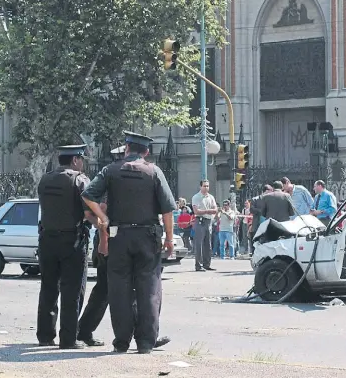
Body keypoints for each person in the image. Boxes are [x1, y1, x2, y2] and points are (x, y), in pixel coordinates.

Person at [82, 131, 177, 354]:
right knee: (149, 290)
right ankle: (145, 343)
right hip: (147, 238)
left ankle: (121, 342)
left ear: (126, 148)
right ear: (146, 151)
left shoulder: (110, 170)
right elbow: (167, 210)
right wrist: (170, 239)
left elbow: (88, 195)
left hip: (118, 236)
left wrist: (103, 218)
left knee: (119, 290)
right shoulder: (154, 172)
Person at [36, 144, 93, 349]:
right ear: (76, 160)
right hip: (72, 242)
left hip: (47, 240)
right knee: (72, 290)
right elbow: (88, 212)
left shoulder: (45, 178)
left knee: (48, 288)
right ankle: (68, 339)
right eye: (82, 160)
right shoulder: (80, 180)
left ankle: (45, 335)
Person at [191, 180, 218, 272]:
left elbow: (215, 210)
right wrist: (208, 211)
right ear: (200, 187)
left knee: (208, 244)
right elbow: (196, 211)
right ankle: (198, 265)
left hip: (208, 221)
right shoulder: (196, 197)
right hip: (200, 221)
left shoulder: (211, 197)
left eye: (207, 186)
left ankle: (207, 264)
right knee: (199, 244)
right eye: (204, 186)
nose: (206, 188)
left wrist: (206, 211)